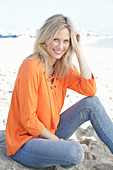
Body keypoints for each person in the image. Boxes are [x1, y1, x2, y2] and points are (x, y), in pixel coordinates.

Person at [6, 14, 113, 169]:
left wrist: (79, 50)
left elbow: (89, 90)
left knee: (92, 103)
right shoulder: (31, 67)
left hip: (50, 132)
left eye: (66, 41)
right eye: (56, 39)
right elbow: (28, 120)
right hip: (25, 143)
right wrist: (60, 142)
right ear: (46, 37)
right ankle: (60, 151)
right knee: (75, 152)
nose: (60, 46)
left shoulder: (63, 66)